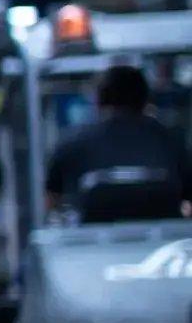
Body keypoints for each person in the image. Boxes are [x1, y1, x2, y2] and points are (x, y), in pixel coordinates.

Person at [45, 63, 192, 223]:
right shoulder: (173, 140)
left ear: (99, 101)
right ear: (145, 100)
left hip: (89, 243)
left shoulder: (72, 142)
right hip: (163, 243)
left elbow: (51, 201)